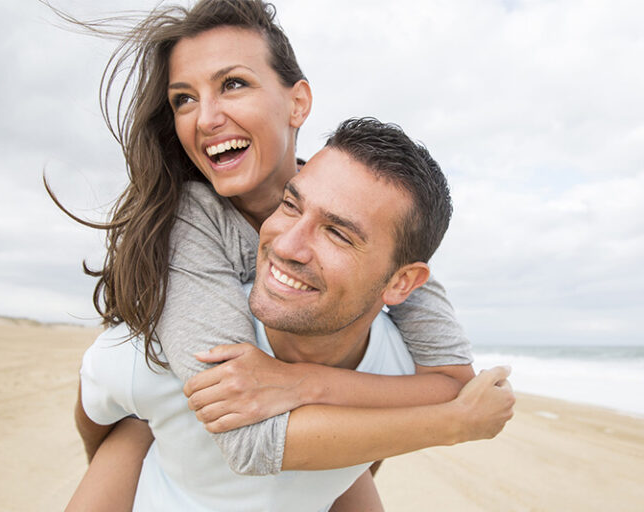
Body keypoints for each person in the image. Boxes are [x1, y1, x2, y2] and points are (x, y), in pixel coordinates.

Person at [50, 0, 511, 509]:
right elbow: (243, 431)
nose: (205, 118)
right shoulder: (191, 225)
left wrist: (300, 383)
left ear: (297, 103)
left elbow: (451, 380)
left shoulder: (362, 210)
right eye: (183, 98)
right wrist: (133, 445)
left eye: (232, 84)